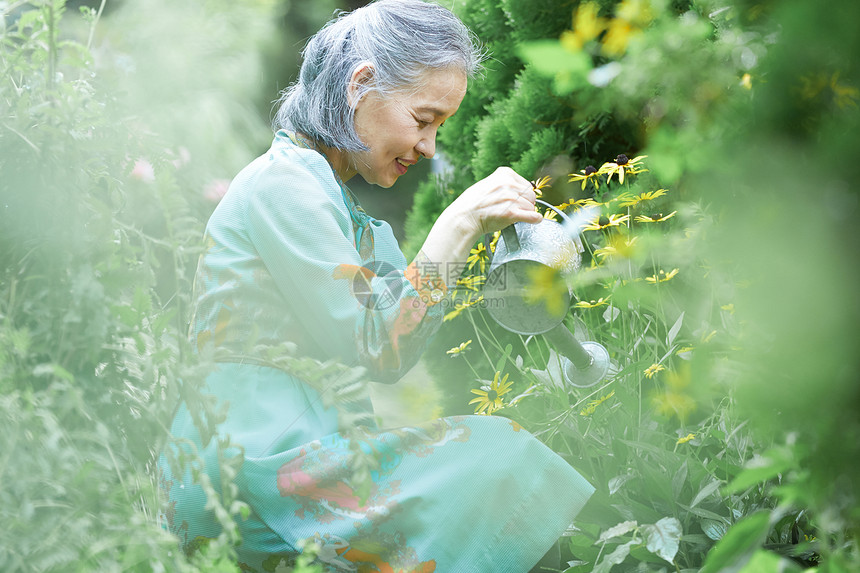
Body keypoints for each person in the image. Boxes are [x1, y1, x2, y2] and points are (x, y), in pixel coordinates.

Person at [158, 1, 594, 570]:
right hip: (249, 467)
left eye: (439, 127)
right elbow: (378, 340)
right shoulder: (284, 182)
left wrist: (467, 245)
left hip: (289, 464)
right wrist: (458, 224)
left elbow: (395, 343)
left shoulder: (347, 213)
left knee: (491, 470)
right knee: (497, 459)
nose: (430, 147)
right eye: (422, 119)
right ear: (361, 84)